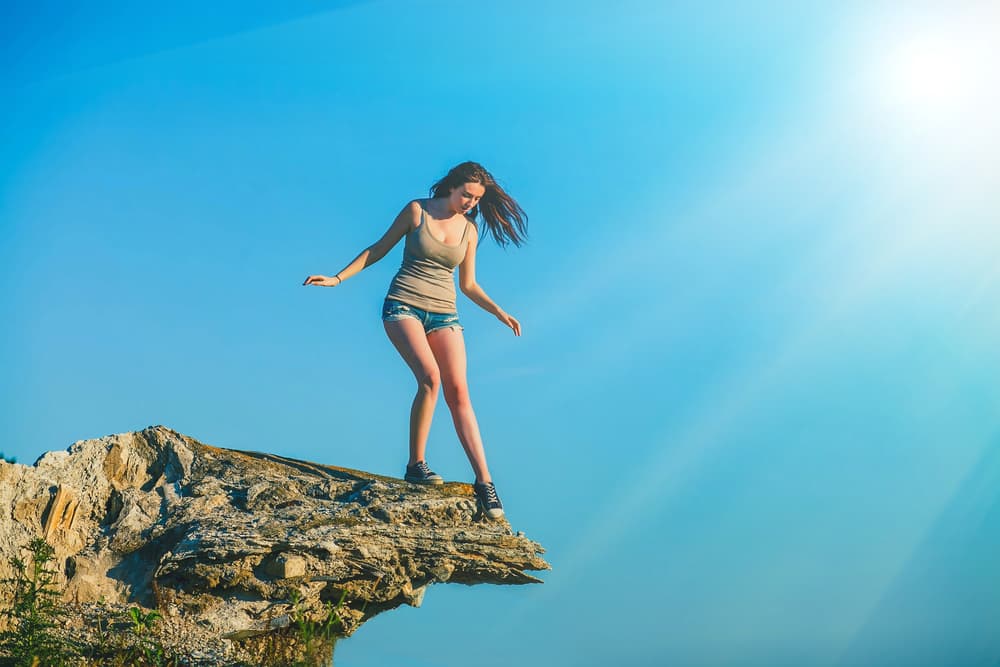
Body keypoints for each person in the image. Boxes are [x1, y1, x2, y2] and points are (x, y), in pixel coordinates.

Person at [303, 161, 527, 520]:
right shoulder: (417, 210)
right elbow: (378, 248)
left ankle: (485, 482)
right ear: (451, 188)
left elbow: (467, 285)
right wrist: (337, 278)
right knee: (430, 379)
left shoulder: (469, 231)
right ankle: (416, 465)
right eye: (466, 195)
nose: (470, 203)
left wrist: (499, 312)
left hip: (445, 315)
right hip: (403, 306)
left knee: (459, 393)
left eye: (476, 199)